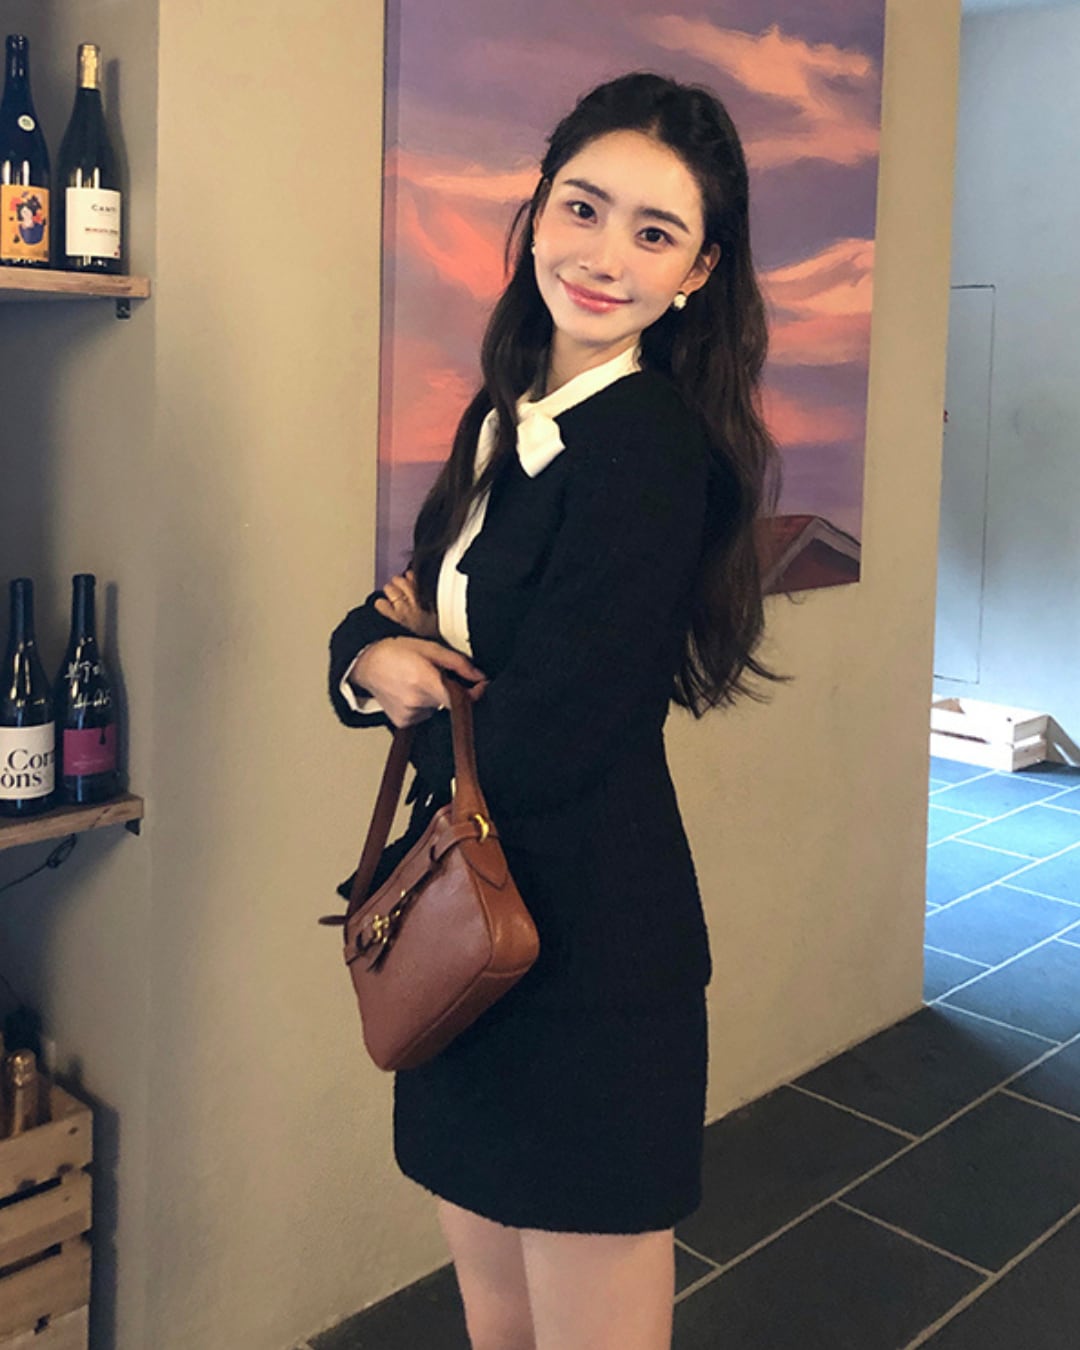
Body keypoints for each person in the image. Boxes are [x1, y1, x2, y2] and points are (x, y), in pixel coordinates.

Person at [328, 71, 785, 1350]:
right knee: (498, 1317)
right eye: (582, 208)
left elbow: (557, 730)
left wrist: (413, 677)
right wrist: (372, 655)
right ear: (535, 210)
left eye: (655, 232)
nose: (603, 256)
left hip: (588, 957)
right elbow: (400, 611)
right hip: (465, 939)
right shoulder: (504, 418)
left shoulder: (649, 449)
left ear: (698, 271)